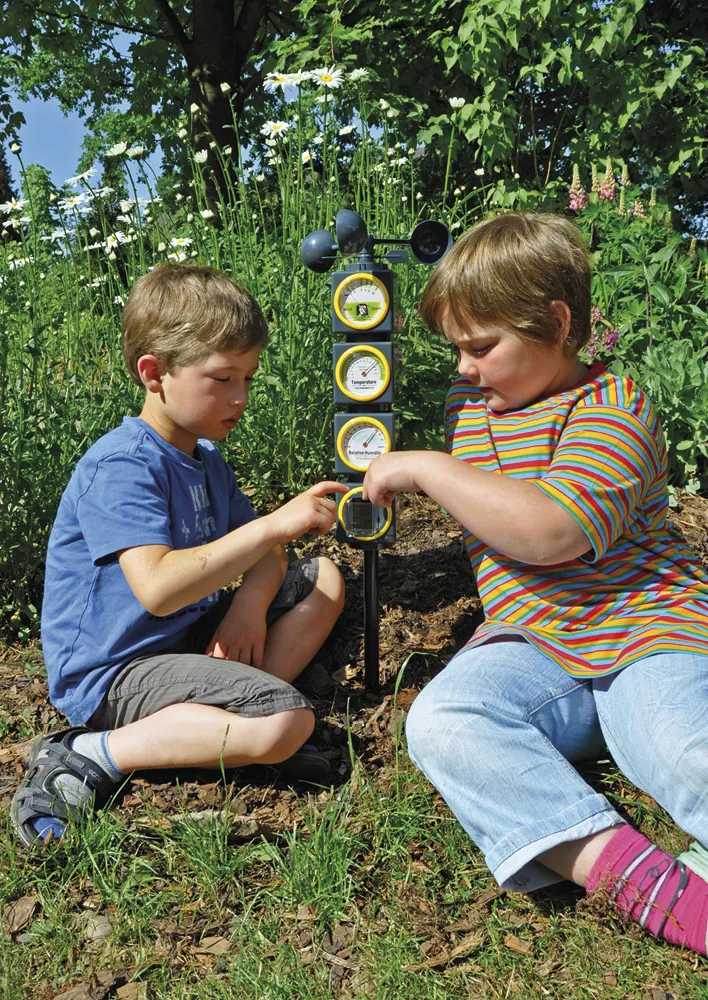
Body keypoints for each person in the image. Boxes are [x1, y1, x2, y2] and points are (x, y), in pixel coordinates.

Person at [362, 213, 708, 955]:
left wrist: (427, 468)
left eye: (481, 347)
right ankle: (635, 877)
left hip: (645, 629)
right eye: (456, 348)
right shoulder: (471, 411)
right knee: (444, 721)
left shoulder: (614, 408)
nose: (463, 368)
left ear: (556, 323)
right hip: (536, 646)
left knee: (682, 749)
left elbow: (553, 532)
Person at [12, 263, 347, 846]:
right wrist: (274, 524)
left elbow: (269, 554)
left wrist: (248, 605)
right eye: (222, 378)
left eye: (248, 377)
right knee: (287, 723)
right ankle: (91, 753)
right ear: (154, 373)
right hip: (115, 672)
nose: (240, 397)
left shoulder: (204, 459)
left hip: (185, 640)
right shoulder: (122, 465)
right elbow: (159, 588)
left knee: (324, 579)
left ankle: (222, 720)